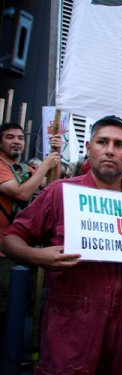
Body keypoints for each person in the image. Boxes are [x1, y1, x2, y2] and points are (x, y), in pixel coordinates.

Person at [3, 115, 122, 374]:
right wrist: (38, 257)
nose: (110, 150)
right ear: (89, 148)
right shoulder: (59, 192)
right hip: (69, 332)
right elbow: (11, 239)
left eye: (119, 145)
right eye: (102, 142)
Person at [0, 122, 61, 354]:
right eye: (9, 137)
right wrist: (46, 164)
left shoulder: (24, 169)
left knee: (27, 308)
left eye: (20, 137)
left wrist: (55, 154)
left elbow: (52, 187)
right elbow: (21, 193)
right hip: (4, 254)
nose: (16, 141)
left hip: (26, 250)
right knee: (8, 311)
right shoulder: (1, 166)